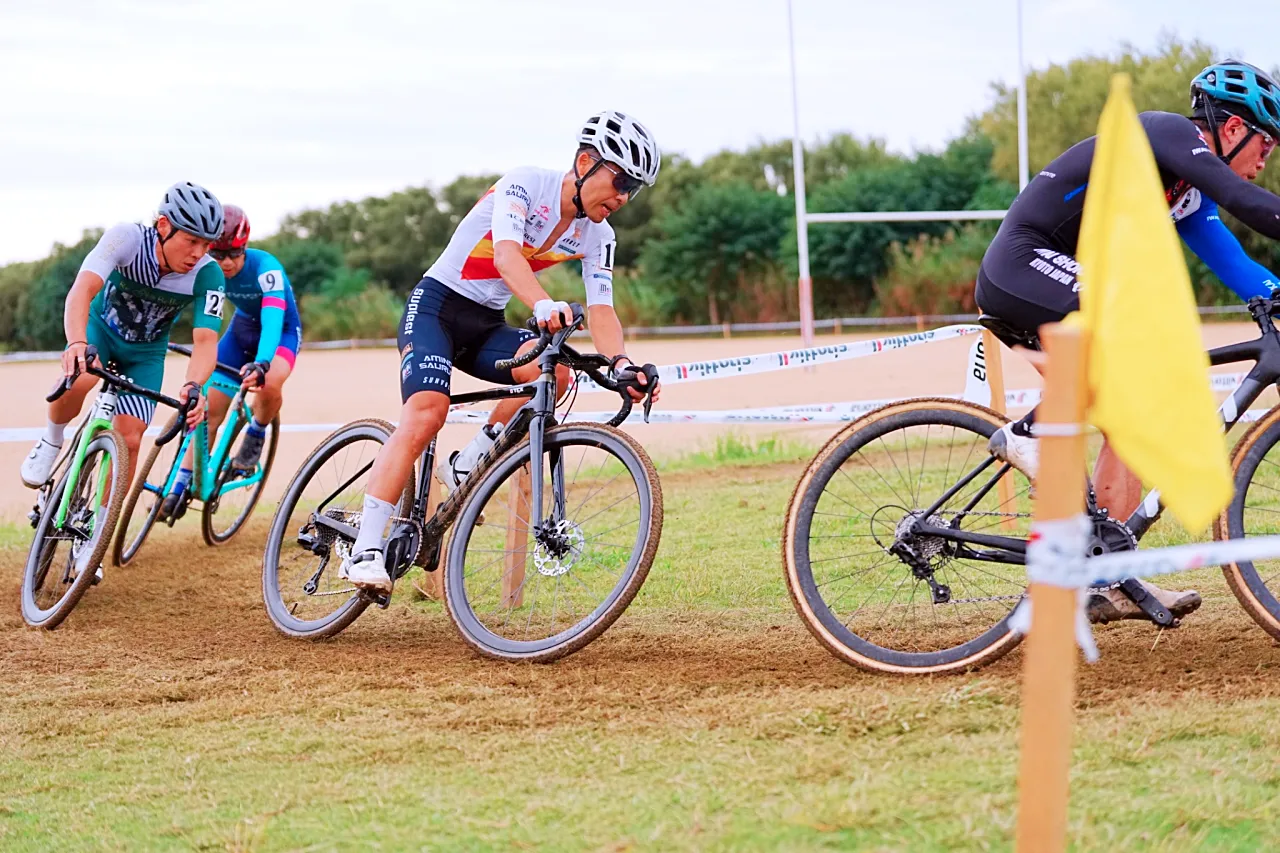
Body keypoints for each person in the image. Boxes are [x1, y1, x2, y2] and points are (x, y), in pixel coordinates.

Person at [976, 59, 1280, 623]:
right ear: (1234, 128)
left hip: (1057, 281)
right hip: (1021, 266)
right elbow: (1247, 201)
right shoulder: (1168, 134)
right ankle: (1027, 435)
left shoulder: (1188, 195)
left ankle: (1105, 577)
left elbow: (1236, 264)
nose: (1266, 159)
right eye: (1266, 143)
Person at [339, 110, 662, 593]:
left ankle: (465, 465)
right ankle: (365, 548)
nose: (622, 197)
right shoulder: (525, 185)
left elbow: (602, 311)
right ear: (585, 163)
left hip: (485, 323)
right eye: (621, 182)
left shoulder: (600, 236)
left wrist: (622, 365)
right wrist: (543, 303)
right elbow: (508, 257)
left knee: (554, 375)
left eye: (632, 190)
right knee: (428, 412)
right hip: (436, 308)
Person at [19, 182, 225, 572]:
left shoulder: (208, 274)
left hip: (145, 354)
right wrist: (76, 342)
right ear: (163, 226)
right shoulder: (126, 239)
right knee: (80, 378)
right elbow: (82, 290)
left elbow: (205, 341)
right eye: (192, 241)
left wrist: (194, 386)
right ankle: (51, 439)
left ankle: (95, 532)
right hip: (100, 333)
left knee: (130, 438)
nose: (199, 253)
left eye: (207, 244)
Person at [160, 205, 301, 518]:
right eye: (218, 254)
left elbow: (273, 320)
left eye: (234, 254)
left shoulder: (266, 268)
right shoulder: (206, 269)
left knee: (270, 383)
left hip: (280, 332)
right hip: (241, 331)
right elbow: (181, 303)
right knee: (209, 410)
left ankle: (256, 433)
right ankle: (180, 485)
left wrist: (262, 362)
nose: (225, 262)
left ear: (245, 247)